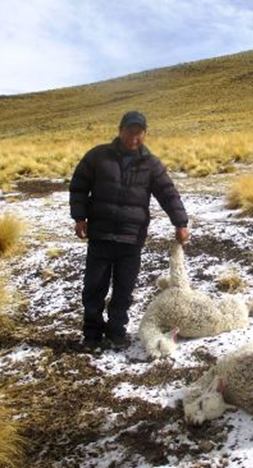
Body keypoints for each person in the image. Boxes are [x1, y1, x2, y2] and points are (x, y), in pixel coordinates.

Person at [70, 110, 189, 351]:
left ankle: (116, 332)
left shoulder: (151, 164)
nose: (133, 136)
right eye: (129, 130)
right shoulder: (98, 156)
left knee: (124, 290)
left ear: (144, 134)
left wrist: (180, 223)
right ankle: (92, 334)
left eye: (138, 132)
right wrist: (79, 217)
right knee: (94, 288)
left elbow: (167, 193)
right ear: (120, 130)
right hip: (101, 236)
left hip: (131, 239)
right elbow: (79, 185)